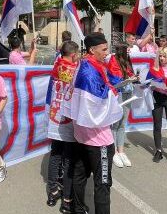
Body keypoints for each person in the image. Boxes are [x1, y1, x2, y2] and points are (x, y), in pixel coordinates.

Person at [62, 32, 122, 214]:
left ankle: (79, 209)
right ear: (92, 50)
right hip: (99, 140)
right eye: (104, 49)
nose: (107, 53)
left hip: (83, 136)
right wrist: (113, 91)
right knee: (102, 184)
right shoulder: (89, 70)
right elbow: (98, 102)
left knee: (80, 175)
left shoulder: (84, 65)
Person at [45, 41, 79, 212]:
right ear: (73, 54)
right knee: (68, 159)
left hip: (55, 116)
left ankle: (52, 191)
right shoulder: (75, 70)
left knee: (55, 155)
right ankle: (67, 198)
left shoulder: (57, 65)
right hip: (68, 119)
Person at [111, 45, 139, 168]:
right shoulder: (113, 60)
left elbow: (129, 75)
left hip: (129, 93)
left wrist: (135, 78)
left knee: (123, 123)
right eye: (126, 50)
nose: (128, 52)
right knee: (115, 124)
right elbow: (114, 79)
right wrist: (128, 78)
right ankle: (113, 152)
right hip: (119, 94)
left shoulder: (128, 61)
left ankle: (121, 151)